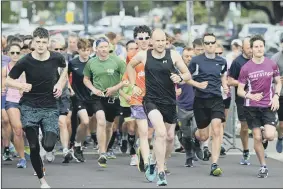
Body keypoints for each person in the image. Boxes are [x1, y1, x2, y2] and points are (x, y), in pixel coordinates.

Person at [127, 29, 191, 186]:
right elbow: (130, 66)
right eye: (157, 41)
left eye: (163, 40)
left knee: (167, 136)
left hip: (169, 101)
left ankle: (153, 163)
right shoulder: (144, 55)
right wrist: (134, 84)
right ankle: (161, 172)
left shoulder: (173, 55)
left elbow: (187, 74)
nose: (161, 43)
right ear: (152, 42)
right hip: (151, 100)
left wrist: (180, 77)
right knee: (160, 132)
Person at [5, 27, 67, 189]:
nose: (40, 45)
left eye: (44, 42)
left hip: (50, 107)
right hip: (29, 107)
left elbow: (65, 69)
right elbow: (7, 81)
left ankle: (46, 139)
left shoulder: (57, 58)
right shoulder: (25, 61)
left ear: (48, 43)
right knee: (33, 146)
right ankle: (42, 181)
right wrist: (21, 84)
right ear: (33, 42)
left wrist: (60, 83)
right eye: (37, 42)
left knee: (48, 145)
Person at [237, 35, 281, 178]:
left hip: (268, 105)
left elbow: (278, 82)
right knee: (256, 138)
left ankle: (263, 133)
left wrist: (276, 96)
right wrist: (250, 95)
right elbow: (240, 90)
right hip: (251, 107)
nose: (259, 49)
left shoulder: (272, 64)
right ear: (251, 49)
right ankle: (263, 166)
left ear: (264, 47)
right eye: (256, 46)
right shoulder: (246, 68)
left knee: (269, 135)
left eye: (261, 46)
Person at [188, 33, 228, 176]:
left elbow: (223, 75)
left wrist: (225, 86)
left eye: (212, 43)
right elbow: (187, 77)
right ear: (203, 45)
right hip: (200, 100)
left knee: (217, 128)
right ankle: (194, 136)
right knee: (204, 136)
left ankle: (214, 164)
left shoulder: (222, 61)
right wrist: (197, 84)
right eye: (207, 43)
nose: (210, 45)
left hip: (216, 99)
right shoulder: (196, 61)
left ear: (216, 44)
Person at [83, 37, 126, 168]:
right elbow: (86, 79)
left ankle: (104, 149)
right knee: (100, 120)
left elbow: (126, 79)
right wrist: (93, 89)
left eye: (105, 47)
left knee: (109, 126)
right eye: (101, 47)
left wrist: (114, 88)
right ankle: (102, 153)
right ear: (96, 49)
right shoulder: (91, 62)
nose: (103, 49)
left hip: (113, 98)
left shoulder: (117, 61)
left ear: (109, 48)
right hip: (97, 97)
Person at [228, 37, 253, 165]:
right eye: (249, 48)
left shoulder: (260, 60)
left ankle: (261, 144)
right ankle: (246, 151)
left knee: (260, 125)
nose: (251, 50)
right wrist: (243, 82)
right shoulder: (238, 62)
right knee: (245, 127)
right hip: (242, 98)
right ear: (242, 48)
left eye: (252, 47)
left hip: (259, 97)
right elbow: (230, 80)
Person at [176, 47, 203, 167]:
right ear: (182, 57)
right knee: (185, 134)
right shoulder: (177, 71)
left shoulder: (199, 70)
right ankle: (189, 156)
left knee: (197, 132)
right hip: (182, 107)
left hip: (197, 107)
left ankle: (197, 145)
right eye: (186, 56)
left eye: (191, 56)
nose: (188, 58)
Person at [68, 38, 93, 163]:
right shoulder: (73, 63)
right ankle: (77, 145)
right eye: (83, 50)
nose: (86, 53)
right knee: (85, 121)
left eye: (88, 50)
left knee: (90, 123)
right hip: (78, 97)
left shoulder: (94, 62)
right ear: (78, 50)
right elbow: (64, 77)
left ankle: (79, 143)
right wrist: (69, 89)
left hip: (92, 97)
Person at [2, 43, 27, 168]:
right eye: (12, 53)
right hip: (11, 100)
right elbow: (2, 85)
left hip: (27, 101)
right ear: (7, 54)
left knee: (29, 129)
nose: (15, 55)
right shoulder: (5, 69)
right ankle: (22, 158)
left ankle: (33, 153)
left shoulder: (26, 67)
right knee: (17, 130)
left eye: (18, 52)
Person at [271, 36, 283, 153]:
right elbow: (269, 77)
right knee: (281, 125)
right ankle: (280, 137)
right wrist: (277, 79)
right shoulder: (275, 58)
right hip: (280, 94)